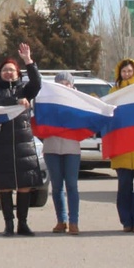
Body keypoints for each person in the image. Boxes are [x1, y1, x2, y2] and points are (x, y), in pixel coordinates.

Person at [0, 43, 42, 236]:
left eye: (12, 70)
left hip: (23, 143)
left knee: (25, 185)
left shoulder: (25, 90)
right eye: (5, 70)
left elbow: (37, 84)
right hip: (1, 144)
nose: (8, 73)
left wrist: (28, 61)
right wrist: (14, 102)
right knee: (5, 185)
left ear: (18, 73)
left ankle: (22, 223)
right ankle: (8, 224)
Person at [109, 58, 134, 233]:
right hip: (122, 150)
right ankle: (126, 221)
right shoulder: (114, 93)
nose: (126, 74)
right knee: (124, 190)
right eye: (124, 71)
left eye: (129, 71)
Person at [43, 71, 82, 235]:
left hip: (71, 149)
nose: (64, 86)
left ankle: (74, 222)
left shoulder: (79, 101)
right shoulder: (47, 100)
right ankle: (61, 220)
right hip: (51, 147)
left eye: (67, 83)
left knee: (72, 185)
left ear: (72, 85)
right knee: (57, 186)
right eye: (60, 83)